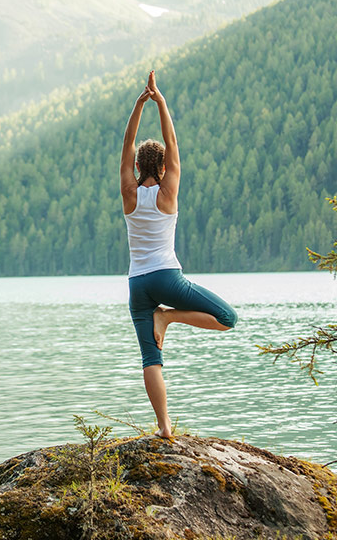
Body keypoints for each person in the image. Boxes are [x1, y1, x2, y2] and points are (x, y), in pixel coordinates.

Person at [120, 70, 238, 439]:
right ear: (165, 166)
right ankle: (168, 318)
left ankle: (164, 427)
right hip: (167, 278)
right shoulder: (168, 190)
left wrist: (139, 105)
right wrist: (162, 102)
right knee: (227, 317)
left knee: (150, 360)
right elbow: (172, 142)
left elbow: (127, 144)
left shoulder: (129, 192)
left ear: (138, 167)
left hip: (137, 284)